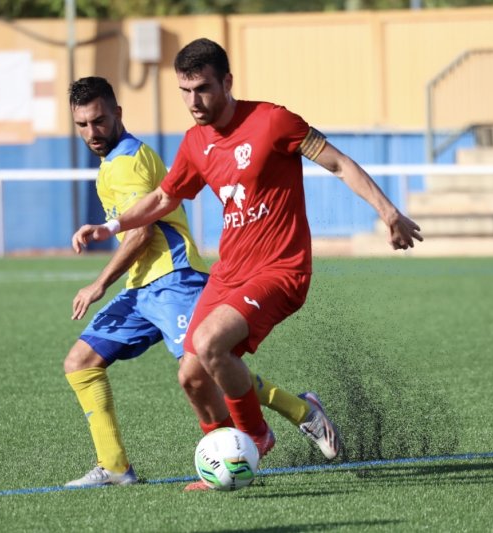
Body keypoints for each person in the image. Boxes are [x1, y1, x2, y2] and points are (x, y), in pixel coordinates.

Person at [72, 40, 423, 490]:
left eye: (202, 89)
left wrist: (388, 211)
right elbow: (163, 198)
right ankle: (228, 459)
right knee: (192, 376)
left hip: (281, 269)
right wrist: (111, 226)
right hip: (228, 273)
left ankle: (254, 437)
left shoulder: (273, 121)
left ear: (227, 83)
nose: (193, 102)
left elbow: (338, 164)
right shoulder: (196, 143)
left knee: (210, 341)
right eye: (184, 90)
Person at [63, 76, 340, 488]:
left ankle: (294, 416)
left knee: (205, 370)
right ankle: (116, 467)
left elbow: (142, 230)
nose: (92, 132)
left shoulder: (128, 161)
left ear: (118, 113)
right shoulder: (111, 162)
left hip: (174, 280)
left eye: (99, 121)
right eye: (82, 125)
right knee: (80, 363)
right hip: (141, 289)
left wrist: (98, 283)